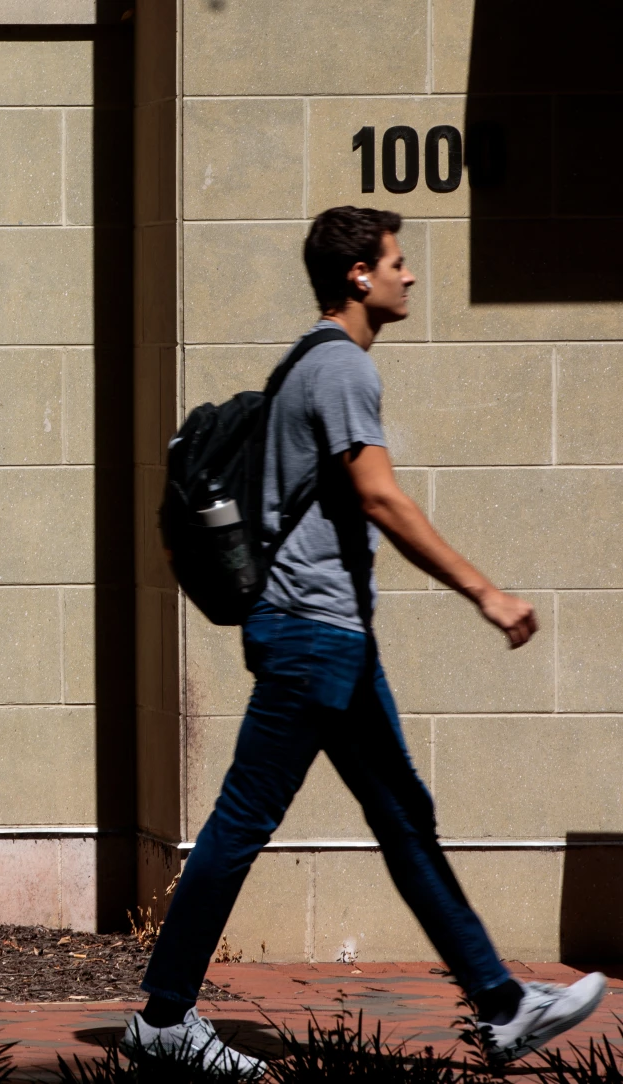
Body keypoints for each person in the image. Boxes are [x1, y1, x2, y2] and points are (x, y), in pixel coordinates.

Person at [122, 206, 608, 1077]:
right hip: (313, 638)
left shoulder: (307, 361)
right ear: (358, 275)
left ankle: (501, 1007)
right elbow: (381, 497)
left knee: (403, 823)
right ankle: (162, 1018)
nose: (409, 275)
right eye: (397, 260)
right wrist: (484, 591)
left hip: (326, 636)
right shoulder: (340, 366)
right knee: (244, 822)